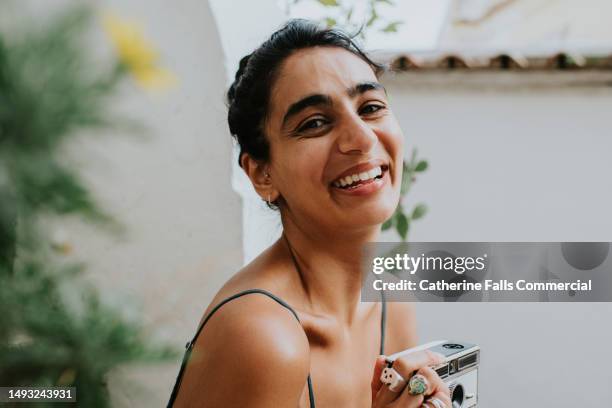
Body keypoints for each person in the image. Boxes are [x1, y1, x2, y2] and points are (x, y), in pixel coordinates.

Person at [168, 19, 451, 408]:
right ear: (263, 174)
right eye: (315, 123)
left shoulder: (391, 296)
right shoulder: (263, 339)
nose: (362, 139)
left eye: (370, 108)